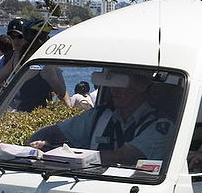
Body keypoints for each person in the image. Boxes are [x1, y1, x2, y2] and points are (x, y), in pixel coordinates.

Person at [28, 70, 173, 166]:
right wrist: (42, 144)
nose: (113, 89)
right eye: (111, 83)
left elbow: (125, 157)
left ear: (141, 86)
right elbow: (53, 133)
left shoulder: (162, 126)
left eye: (120, 83)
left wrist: (71, 157)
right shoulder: (99, 116)